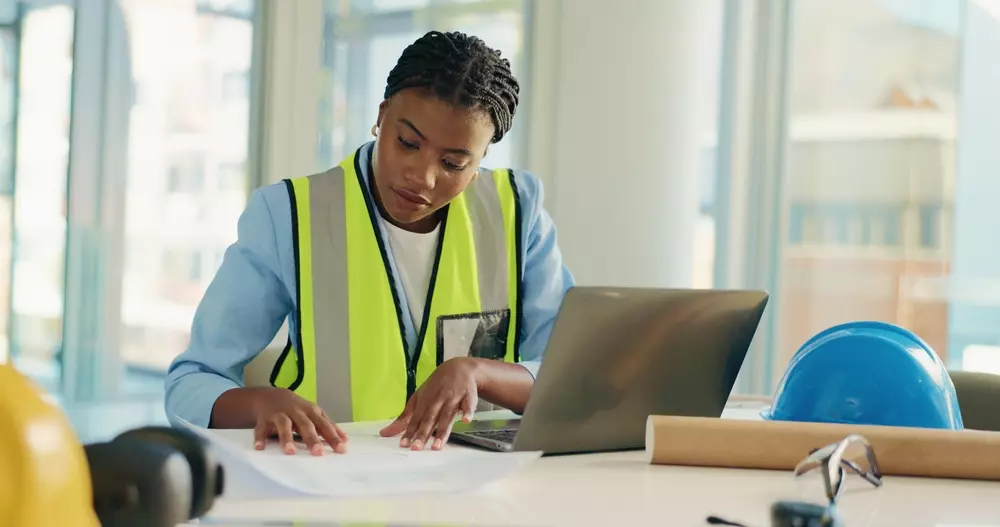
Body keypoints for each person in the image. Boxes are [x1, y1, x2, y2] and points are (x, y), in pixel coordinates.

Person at [163, 30, 574, 456]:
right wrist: (259, 402)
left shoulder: (518, 214)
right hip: (327, 489)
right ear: (382, 116)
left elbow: (571, 377)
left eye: (453, 163)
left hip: (475, 495)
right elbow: (190, 381)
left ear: (481, 158)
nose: (423, 176)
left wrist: (479, 373)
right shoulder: (289, 214)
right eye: (407, 143)